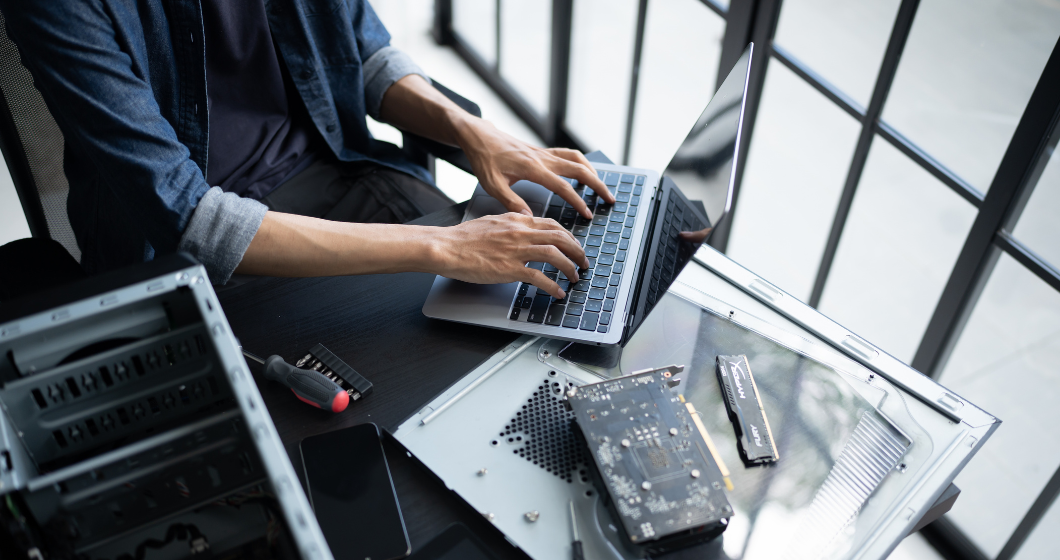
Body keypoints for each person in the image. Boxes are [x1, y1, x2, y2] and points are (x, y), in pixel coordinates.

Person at [1, 0, 614, 300]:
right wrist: (442, 246)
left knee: (552, 282)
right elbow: (192, 221)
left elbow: (361, 49)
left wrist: (471, 131)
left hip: (338, 168)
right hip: (201, 268)